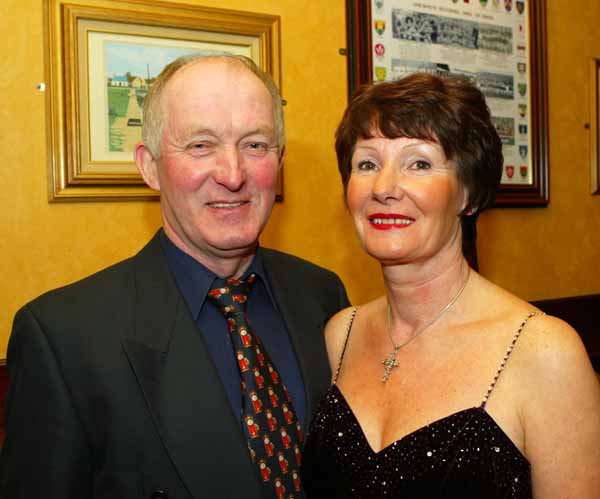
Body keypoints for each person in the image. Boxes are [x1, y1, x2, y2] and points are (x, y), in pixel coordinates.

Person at [0, 54, 349, 498]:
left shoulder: (322, 297)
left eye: (255, 145)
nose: (233, 174)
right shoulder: (63, 338)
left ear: (279, 161)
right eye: (201, 145)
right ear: (149, 166)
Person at [302, 73, 600, 498]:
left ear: (469, 193)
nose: (384, 188)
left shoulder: (543, 353)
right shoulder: (339, 335)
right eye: (367, 164)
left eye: (419, 163)